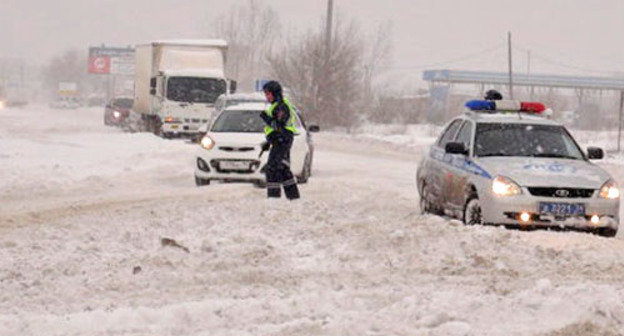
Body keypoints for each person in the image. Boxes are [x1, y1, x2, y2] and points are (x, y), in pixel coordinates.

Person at [259, 81, 300, 200]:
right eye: (265, 94)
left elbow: (278, 125)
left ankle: (273, 197)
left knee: (272, 168)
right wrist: (269, 141)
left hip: (283, 139)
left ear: (275, 93)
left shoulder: (282, 106)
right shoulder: (277, 105)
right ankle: (293, 197)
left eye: (268, 94)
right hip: (279, 139)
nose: (267, 97)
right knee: (282, 168)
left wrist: (266, 118)